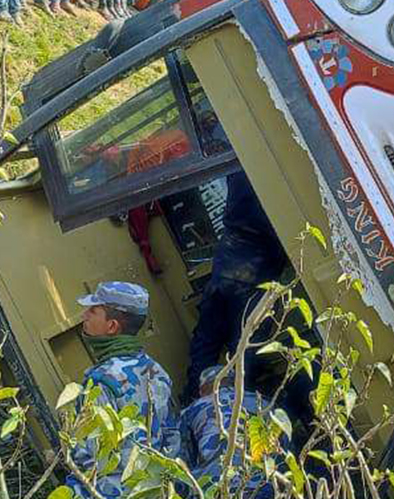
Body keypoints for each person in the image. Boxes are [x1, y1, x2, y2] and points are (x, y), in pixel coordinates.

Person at [183, 172, 288, 404]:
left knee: (206, 342)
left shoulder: (240, 163)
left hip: (225, 265)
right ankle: (239, 412)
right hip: (256, 275)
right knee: (245, 356)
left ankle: (195, 402)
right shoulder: (276, 174)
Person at [68, 281, 179, 499]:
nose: (84, 315)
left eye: (93, 311)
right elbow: (172, 437)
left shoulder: (101, 380)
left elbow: (90, 458)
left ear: (112, 326)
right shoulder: (156, 371)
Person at [180, 365, 277, 497]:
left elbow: (182, 460)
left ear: (202, 390)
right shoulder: (265, 404)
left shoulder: (192, 410)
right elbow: (282, 452)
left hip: (214, 489)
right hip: (261, 487)